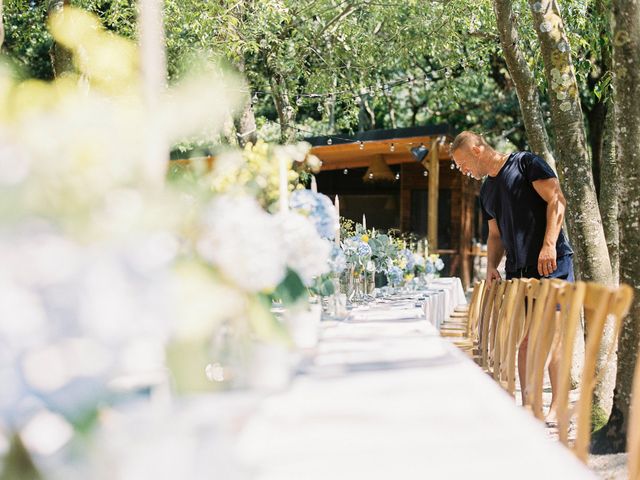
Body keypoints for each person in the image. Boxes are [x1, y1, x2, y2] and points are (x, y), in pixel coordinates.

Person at [450, 131, 574, 420]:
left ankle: (554, 407)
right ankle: (530, 408)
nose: (463, 171)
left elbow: (557, 201)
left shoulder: (525, 163)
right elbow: (495, 236)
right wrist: (493, 265)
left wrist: (548, 246)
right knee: (530, 340)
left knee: (551, 337)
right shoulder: (486, 192)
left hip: (551, 263)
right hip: (518, 271)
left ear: (478, 149)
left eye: (463, 163)